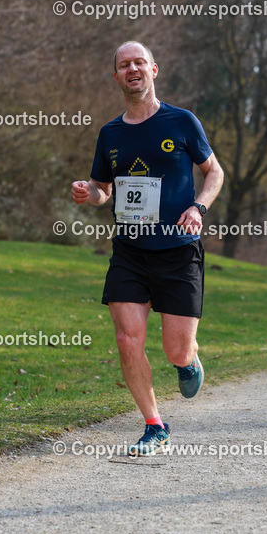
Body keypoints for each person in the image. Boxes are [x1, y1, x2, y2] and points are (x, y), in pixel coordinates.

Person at [72, 41, 224, 456]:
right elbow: (104, 189)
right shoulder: (111, 133)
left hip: (178, 250)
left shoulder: (182, 122)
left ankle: (188, 361)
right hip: (130, 251)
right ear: (117, 76)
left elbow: (214, 172)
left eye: (140, 62)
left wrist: (199, 206)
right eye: (124, 65)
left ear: (154, 70)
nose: (133, 69)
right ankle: (155, 424)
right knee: (127, 338)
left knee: (176, 348)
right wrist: (91, 193)